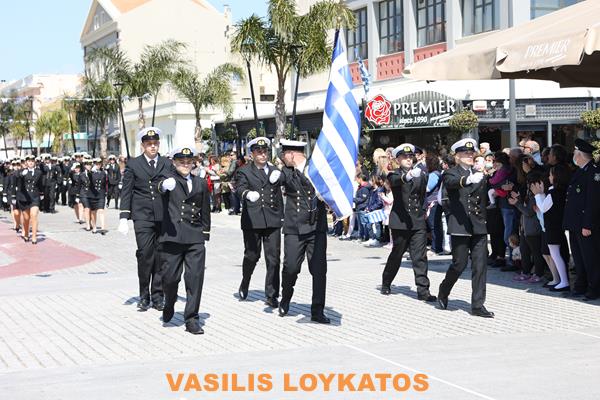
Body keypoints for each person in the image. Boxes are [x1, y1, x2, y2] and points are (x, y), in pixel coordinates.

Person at [118, 127, 174, 312]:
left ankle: (158, 295)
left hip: (163, 216)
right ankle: (144, 294)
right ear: (143, 145)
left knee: (161, 256)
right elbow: (127, 191)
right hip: (142, 216)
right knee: (145, 254)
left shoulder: (166, 163)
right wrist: (124, 216)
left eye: (155, 143)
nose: (153, 147)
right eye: (149, 144)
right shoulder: (134, 164)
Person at [275, 139, 330, 324]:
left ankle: (317, 310)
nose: (282, 159)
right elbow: (280, 179)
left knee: (319, 270)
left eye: (284, 155)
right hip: (294, 228)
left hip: (316, 227)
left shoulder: (316, 168)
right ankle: (286, 297)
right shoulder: (287, 171)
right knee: (290, 267)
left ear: (291, 154)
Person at [157, 146, 210, 334]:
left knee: (195, 278)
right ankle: (169, 301)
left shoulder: (200, 182)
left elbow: (205, 209)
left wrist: (205, 233)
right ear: (174, 162)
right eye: (181, 162)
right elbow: (158, 187)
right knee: (170, 278)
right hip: (173, 236)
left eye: (189, 162)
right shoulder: (168, 179)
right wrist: (164, 185)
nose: (186, 165)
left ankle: (192, 318)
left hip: (194, 236)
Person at [438, 138, 493, 318]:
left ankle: (478, 305)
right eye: (465, 153)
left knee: (480, 266)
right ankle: (444, 289)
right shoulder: (451, 173)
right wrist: (469, 179)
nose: (469, 156)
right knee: (459, 264)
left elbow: (482, 199)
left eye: (471, 153)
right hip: (460, 225)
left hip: (478, 225)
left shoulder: (479, 173)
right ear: (457, 156)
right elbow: (451, 183)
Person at [380, 143, 437, 302]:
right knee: (397, 254)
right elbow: (396, 181)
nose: (408, 159)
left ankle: (423, 290)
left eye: (410, 156)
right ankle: (386, 282)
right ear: (398, 160)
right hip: (400, 222)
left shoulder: (421, 175)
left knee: (420, 257)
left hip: (417, 221)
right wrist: (408, 176)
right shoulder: (394, 175)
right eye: (404, 157)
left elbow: (422, 196)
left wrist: (423, 211)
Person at [235, 137, 284, 308]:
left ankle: (272, 294)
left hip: (272, 219)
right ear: (252, 154)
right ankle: (245, 280)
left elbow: (280, 192)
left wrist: (281, 176)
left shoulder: (274, 170)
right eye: (259, 152)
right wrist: (247, 194)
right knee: (252, 255)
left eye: (265, 152)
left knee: (274, 258)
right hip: (253, 219)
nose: (263, 155)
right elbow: (239, 187)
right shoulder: (244, 171)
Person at [563, 139, 600, 300]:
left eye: (575, 154)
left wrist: (587, 224)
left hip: (585, 224)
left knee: (590, 258)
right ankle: (581, 285)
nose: (574, 157)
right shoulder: (580, 171)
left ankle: (594, 288)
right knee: (579, 258)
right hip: (575, 223)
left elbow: (593, 201)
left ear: (580, 155)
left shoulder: (593, 173)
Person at [531, 165, 571, 292]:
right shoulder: (562, 190)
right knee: (556, 254)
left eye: (550, 175)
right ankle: (562, 280)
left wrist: (538, 195)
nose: (549, 177)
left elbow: (543, 208)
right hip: (557, 227)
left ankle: (564, 281)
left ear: (556, 177)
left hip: (552, 228)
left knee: (555, 254)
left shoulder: (554, 192)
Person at [12, 155, 44, 244]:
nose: (31, 163)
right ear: (26, 162)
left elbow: (40, 184)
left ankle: (34, 237)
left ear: (34, 162)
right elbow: (15, 176)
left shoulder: (38, 172)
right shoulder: (21, 171)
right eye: (29, 161)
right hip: (24, 198)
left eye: (32, 161)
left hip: (34, 197)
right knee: (26, 218)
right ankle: (26, 233)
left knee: (34, 215)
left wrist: (42, 193)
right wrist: (22, 174)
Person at [89, 158, 108, 234]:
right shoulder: (91, 173)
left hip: (101, 194)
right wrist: (91, 171)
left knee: (101, 210)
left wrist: (107, 193)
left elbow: (106, 183)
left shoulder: (103, 172)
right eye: (96, 164)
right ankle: (94, 227)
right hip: (93, 194)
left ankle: (103, 228)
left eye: (99, 164)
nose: (98, 165)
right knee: (93, 212)